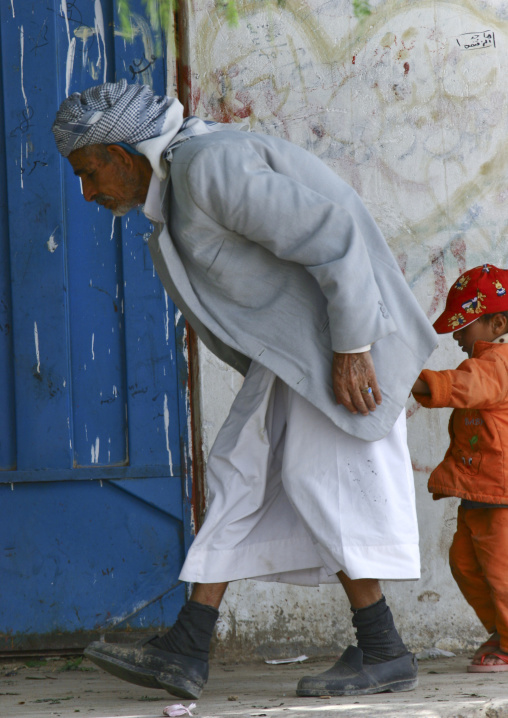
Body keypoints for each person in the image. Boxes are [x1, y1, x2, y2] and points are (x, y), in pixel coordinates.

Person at [52, 80, 437, 699]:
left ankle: (382, 649)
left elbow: (331, 232)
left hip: (341, 346)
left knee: (319, 484)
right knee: (243, 472)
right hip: (300, 354)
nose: (88, 191)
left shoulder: (209, 167)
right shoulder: (181, 186)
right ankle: (189, 646)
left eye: (88, 172)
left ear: (123, 156)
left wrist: (352, 347)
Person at [412, 263, 508, 673]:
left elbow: (463, 385)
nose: (457, 336)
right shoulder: (488, 361)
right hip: (479, 493)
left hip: (501, 497)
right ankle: (502, 634)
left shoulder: (498, 364)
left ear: (497, 322)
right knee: (465, 564)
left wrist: (405, 379)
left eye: (465, 325)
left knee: (502, 576)